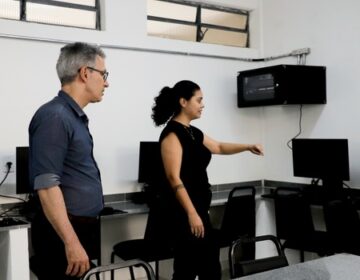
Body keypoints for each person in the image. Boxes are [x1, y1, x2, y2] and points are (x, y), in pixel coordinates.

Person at [151, 80, 263, 280]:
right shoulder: (172, 135)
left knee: (209, 267)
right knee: (187, 268)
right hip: (184, 214)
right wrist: (192, 214)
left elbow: (218, 147)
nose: (203, 105)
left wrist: (247, 146)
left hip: (200, 211)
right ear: (183, 102)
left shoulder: (192, 132)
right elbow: (173, 177)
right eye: (199, 100)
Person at [29, 42, 109, 280]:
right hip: (62, 234)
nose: (106, 82)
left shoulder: (73, 117)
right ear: (85, 73)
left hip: (79, 229)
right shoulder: (55, 116)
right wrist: (72, 242)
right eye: (104, 75)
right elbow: (47, 185)